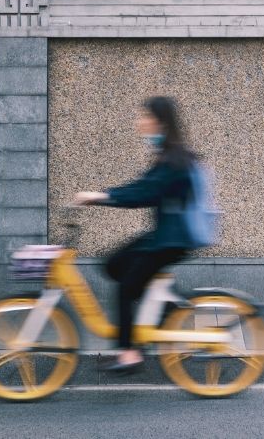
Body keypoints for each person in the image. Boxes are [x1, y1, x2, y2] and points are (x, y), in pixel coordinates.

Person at [74, 96, 199, 373]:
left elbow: (144, 192)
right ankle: (166, 306)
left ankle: (130, 353)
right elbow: (144, 186)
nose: (140, 122)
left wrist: (101, 197)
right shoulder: (169, 155)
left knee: (126, 287)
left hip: (172, 240)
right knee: (114, 264)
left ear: (160, 122)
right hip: (165, 235)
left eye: (145, 117)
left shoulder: (175, 159)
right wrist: (105, 196)